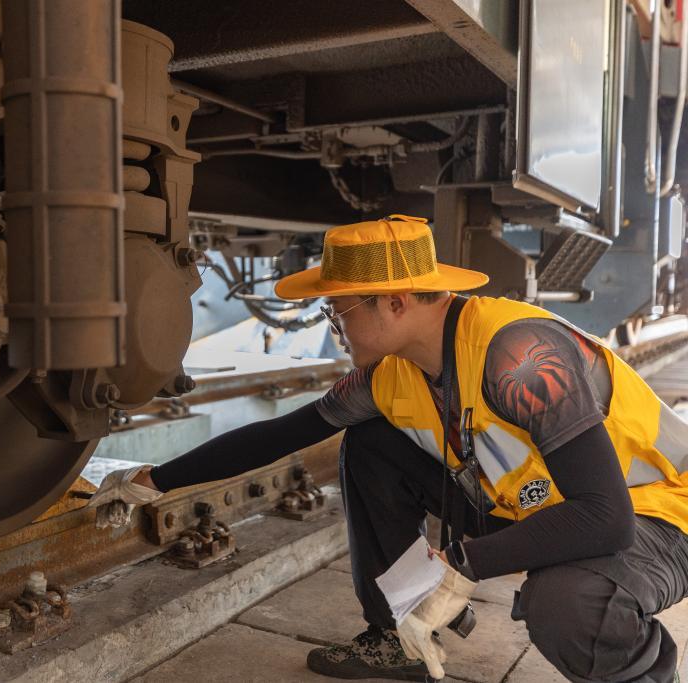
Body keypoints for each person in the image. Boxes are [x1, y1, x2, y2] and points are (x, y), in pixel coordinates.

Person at [89, 215, 688, 682]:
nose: (335, 325)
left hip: (653, 515)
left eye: (338, 309)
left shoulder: (520, 358)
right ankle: (391, 634)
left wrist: (463, 565)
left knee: (565, 605)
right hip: (538, 506)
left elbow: (605, 519)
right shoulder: (391, 374)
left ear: (394, 302)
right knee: (370, 444)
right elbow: (283, 434)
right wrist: (154, 480)